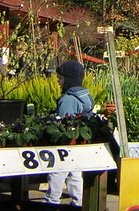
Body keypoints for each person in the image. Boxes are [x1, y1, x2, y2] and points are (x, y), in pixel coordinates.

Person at [45, 60, 95, 207]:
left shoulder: (68, 99)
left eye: (60, 78)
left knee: (57, 172)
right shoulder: (86, 96)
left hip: (65, 144)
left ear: (69, 79)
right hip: (78, 144)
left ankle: (52, 201)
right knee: (75, 173)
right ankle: (78, 202)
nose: (58, 82)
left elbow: (62, 124)